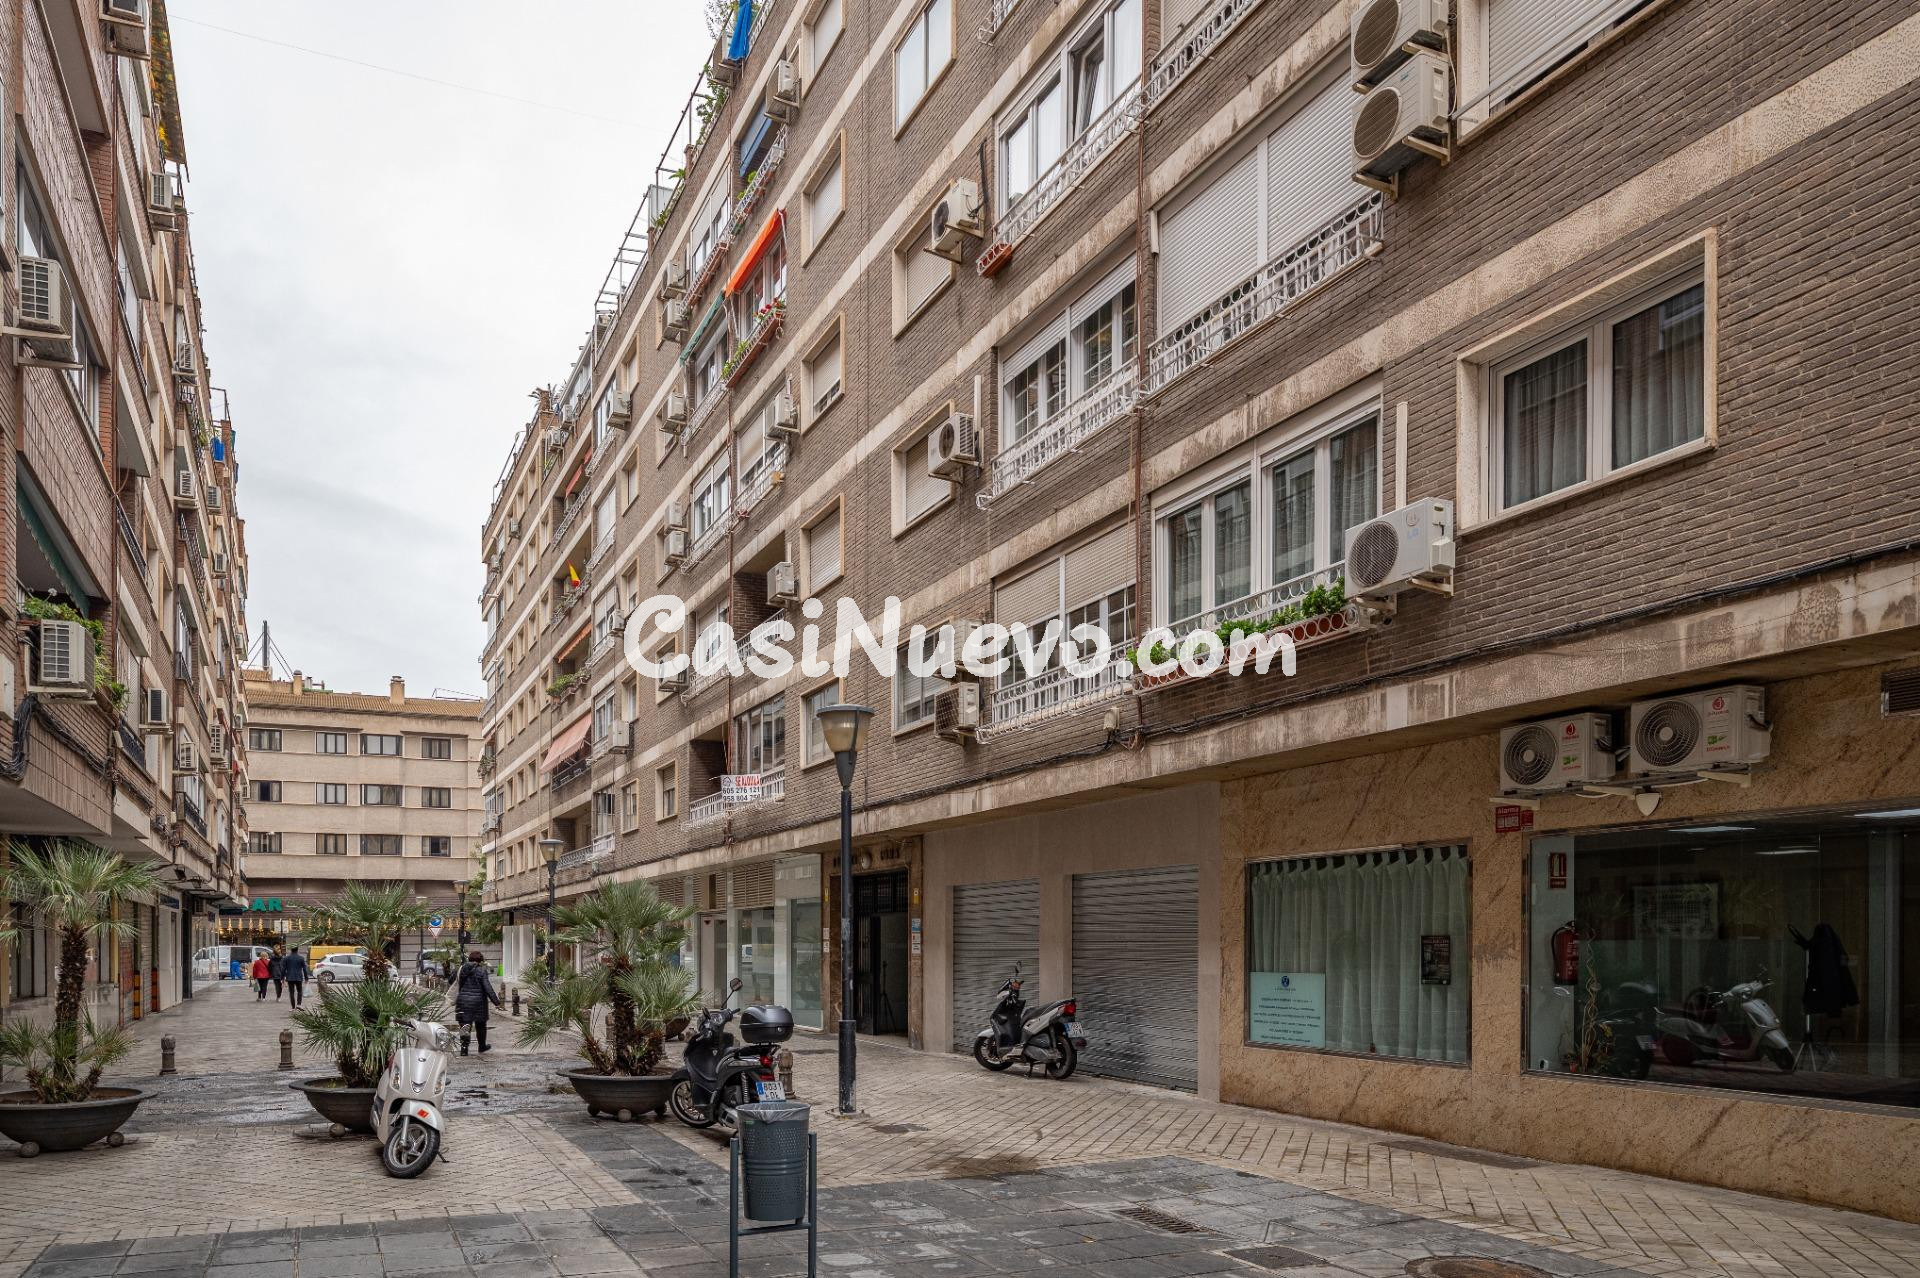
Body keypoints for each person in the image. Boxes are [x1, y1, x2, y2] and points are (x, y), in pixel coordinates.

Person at [453, 950, 504, 1055]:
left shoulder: (461, 969)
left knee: (465, 1026)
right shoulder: (481, 971)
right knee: (480, 1025)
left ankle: (464, 1049)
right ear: (480, 960)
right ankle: (482, 1046)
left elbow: (452, 981)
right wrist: (497, 1002)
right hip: (478, 1002)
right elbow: (487, 987)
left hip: (463, 1001)